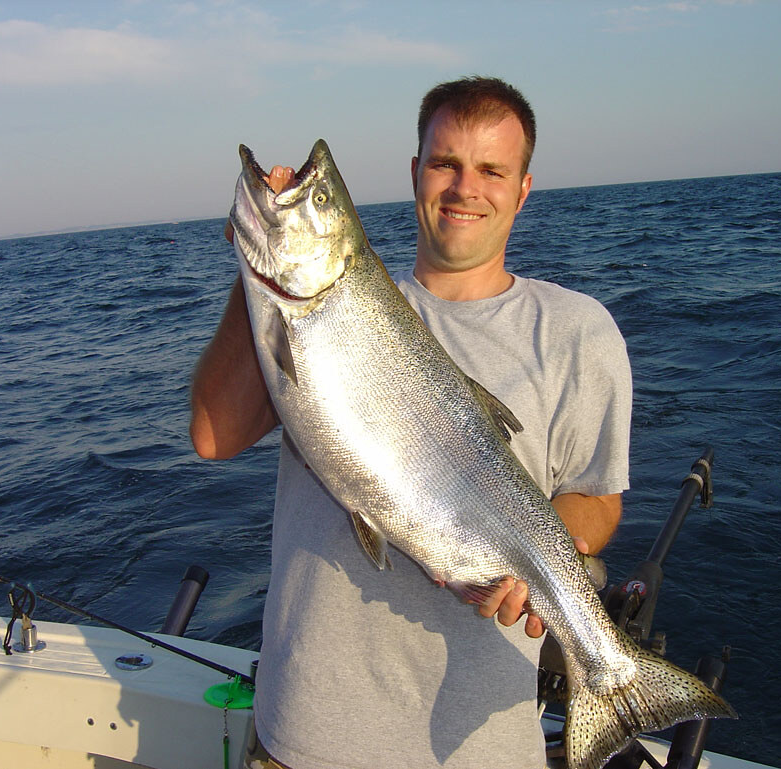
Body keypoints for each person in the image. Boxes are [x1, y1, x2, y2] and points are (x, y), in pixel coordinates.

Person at [190, 76, 633, 769]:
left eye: (492, 169)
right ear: (415, 173)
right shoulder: (341, 302)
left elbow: (597, 497)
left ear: (523, 188)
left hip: (479, 751)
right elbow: (213, 437)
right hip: (302, 736)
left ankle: (610, 675)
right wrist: (254, 267)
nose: (465, 187)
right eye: (445, 163)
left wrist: (548, 556)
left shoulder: (579, 331)